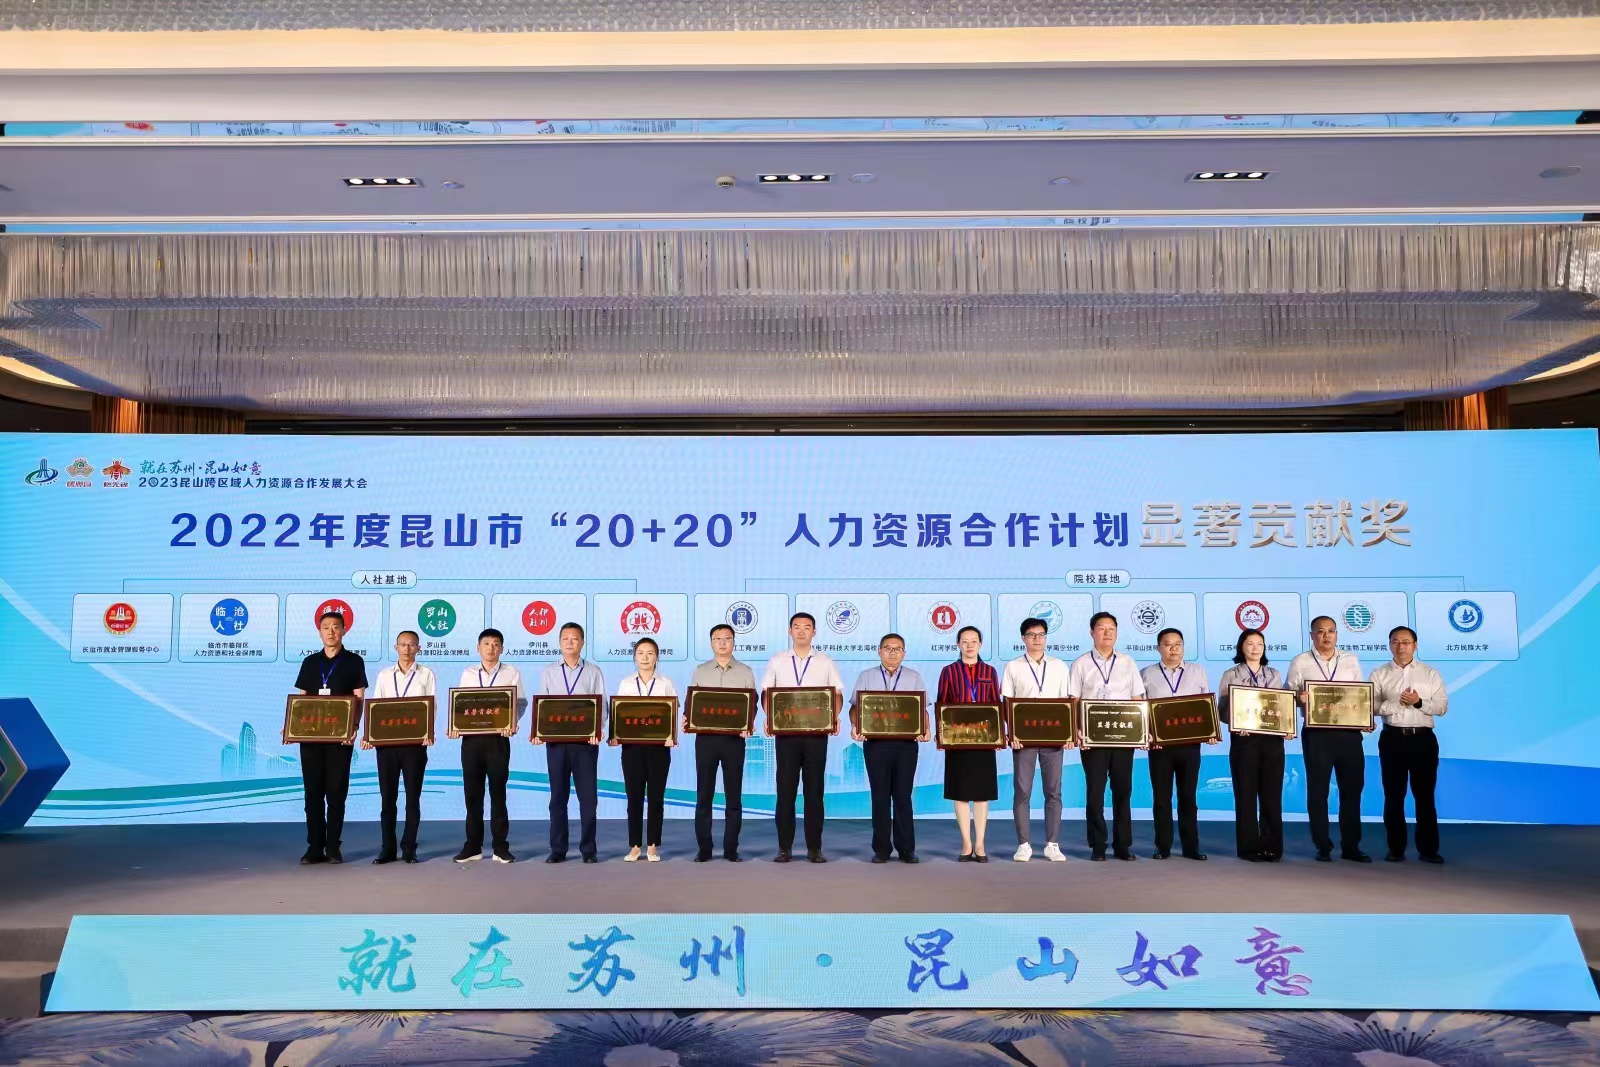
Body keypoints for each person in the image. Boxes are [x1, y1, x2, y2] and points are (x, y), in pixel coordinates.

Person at [760, 612, 844, 863]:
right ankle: (784, 848)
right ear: (790, 631)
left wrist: (834, 717)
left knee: (814, 792)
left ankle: (814, 848)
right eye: (796, 627)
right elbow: (766, 694)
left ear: (814, 632)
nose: (801, 631)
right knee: (785, 792)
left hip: (816, 736)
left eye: (807, 627)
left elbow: (837, 695)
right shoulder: (777, 660)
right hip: (786, 735)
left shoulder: (825, 661)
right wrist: (770, 718)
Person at [1286, 616, 1370, 863]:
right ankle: (1322, 845)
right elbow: (1288, 692)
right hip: (1317, 734)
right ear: (1312, 635)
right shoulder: (1301, 661)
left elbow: (1360, 694)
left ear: (1336, 634)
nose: (1326, 636)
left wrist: (1365, 717)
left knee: (1352, 789)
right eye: (1321, 631)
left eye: (1331, 631)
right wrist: (1298, 696)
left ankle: (1351, 846)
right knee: (1318, 790)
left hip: (1348, 733)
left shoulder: (1350, 659)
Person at [292, 611, 368, 865]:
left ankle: (333, 846)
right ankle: (314, 846)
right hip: (311, 739)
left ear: (344, 631)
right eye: (326, 627)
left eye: (336, 627)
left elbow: (359, 697)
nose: (331, 631)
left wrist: (354, 726)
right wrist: (293, 726)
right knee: (312, 794)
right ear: (320, 632)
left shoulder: (354, 661)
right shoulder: (310, 662)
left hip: (340, 740)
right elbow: (301, 699)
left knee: (336, 794)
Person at [1070, 611, 1146, 861]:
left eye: (1111, 628)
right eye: (1102, 628)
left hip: (1124, 737)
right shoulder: (1081, 663)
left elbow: (1137, 699)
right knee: (1095, 792)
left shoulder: (1127, 662)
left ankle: (1123, 845)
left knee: (1123, 791)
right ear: (1092, 632)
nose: (1107, 633)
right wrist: (1076, 730)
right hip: (1092, 739)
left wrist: (1142, 732)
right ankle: (1098, 845)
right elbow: (1074, 701)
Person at [1370, 626, 1448, 864]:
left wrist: (1418, 702)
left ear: (1415, 645)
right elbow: (1371, 707)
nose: (1400, 646)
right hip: (1392, 739)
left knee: (1424, 796)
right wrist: (1397, 705)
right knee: (1393, 795)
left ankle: (1428, 850)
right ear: (1389, 645)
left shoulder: (1430, 673)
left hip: (1423, 739)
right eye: (1395, 641)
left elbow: (1442, 707)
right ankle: (1395, 849)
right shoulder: (1379, 674)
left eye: (1405, 642)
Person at [850, 633, 928, 864]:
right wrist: (855, 726)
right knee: (880, 796)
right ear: (879, 651)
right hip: (876, 744)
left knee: (903, 796)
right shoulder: (866, 676)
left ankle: (906, 849)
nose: (892, 652)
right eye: (888, 648)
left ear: (904, 653)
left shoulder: (914, 677)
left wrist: (926, 728)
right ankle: (881, 849)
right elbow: (855, 707)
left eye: (897, 649)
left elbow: (922, 709)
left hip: (906, 745)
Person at [1002, 616, 1072, 863]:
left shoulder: (1059, 666)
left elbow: (1067, 703)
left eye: (1041, 634)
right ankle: (1024, 844)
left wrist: (1068, 734)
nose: (1037, 639)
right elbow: (1007, 705)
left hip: (1054, 738)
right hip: (1024, 740)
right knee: (1022, 791)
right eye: (1032, 635)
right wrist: (1012, 734)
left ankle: (1052, 844)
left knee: (1054, 791)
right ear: (1023, 638)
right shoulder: (1013, 667)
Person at [452, 628, 524, 865]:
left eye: (495, 644)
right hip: (471, 742)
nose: (491, 648)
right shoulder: (468, 673)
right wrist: (456, 725)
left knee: (498, 794)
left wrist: (511, 722)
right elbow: (461, 705)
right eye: (486, 643)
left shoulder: (512, 673)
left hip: (498, 740)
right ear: (478, 648)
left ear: (501, 648)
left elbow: (520, 704)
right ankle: (472, 846)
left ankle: (500, 847)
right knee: (472, 795)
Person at [535, 622, 606, 863]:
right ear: (559, 642)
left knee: (588, 799)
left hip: (585, 743)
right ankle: (558, 849)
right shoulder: (548, 672)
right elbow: (543, 706)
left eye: (574, 638)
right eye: (565, 638)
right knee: (558, 797)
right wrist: (539, 730)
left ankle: (589, 850)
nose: (570, 642)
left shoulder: (594, 671)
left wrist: (597, 730)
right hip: (556, 743)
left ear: (582, 642)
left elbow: (602, 706)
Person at [1140, 627, 1213, 861]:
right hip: (1159, 747)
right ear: (1158, 648)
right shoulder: (1146, 674)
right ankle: (1162, 846)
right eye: (1168, 644)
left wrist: (1210, 730)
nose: (1173, 649)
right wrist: (1146, 735)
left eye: (1178, 644)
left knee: (1188, 796)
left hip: (1190, 746)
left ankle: (1191, 847)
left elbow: (1205, 706)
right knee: (1162, 798)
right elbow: (1140, 710)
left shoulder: (1197, 671)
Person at [365, 630, 436, 864]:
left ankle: (409, 848)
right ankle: (387, 848)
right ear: (396, 648)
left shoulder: (426, 674)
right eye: (403, 644)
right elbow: (376, 707)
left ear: (419, 648)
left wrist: (428, 733)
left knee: (413, 798)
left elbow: (431, 706)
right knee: (388, 798)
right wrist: (370, 735)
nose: (407, 648)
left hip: (415, 745)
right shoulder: (385, 675)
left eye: (412, 644)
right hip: (387, 746)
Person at [1216, 628, 1287, 862]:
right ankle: (1248, 848)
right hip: (1244, 740)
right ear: (1241, 647)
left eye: (1259, 644)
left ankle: (1272, 847)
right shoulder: (1230, 674)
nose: (1255, 648)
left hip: (1271, 741)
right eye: (1250, 643)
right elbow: (1222, 711)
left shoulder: (1274, 674)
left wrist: (1286, 726)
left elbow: (1280, 707)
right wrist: (1236, 720)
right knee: (1245, 795)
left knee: (1271, 795)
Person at [688, 624, 757, 862]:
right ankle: (704, 849)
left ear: (734, 642)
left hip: (734, 741)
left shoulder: (746, 671)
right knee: (704, 796)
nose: (723, 642)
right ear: (711, 643)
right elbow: (693, 705)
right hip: (706, 740)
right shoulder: (700, 671)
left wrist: (748, 724)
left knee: (733, 797)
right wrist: (688, 718)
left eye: (727, 638)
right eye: (718, 638)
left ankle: (731, 849)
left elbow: (752, 705)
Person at [937, 626, 1000, 862]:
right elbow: (942, 704)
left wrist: (998, 735)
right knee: (961, 793)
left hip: (984, 740)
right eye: (965, 641)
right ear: (958, 644)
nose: (969, 645)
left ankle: (980, 844)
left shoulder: (990, 671)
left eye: (974, 641)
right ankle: (966, 843)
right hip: (958, 740)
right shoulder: (948, 671)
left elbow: (996, 704)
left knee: (982, 794)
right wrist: (942, 736)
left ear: (980, 644)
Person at [612, 637, 677, 862]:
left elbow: (672, 713)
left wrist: (671, 736)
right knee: (634, 798)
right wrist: (615, 735)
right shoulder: (626, 683)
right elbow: (619, 714)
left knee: (656, 797)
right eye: (640, 653)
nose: (645, 657)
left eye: (650, 653)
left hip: (659, 748)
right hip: (632, 748)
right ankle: (634, 846)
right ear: (634, 657)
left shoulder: (665, 683)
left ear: (657, 657)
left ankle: (652, 846)